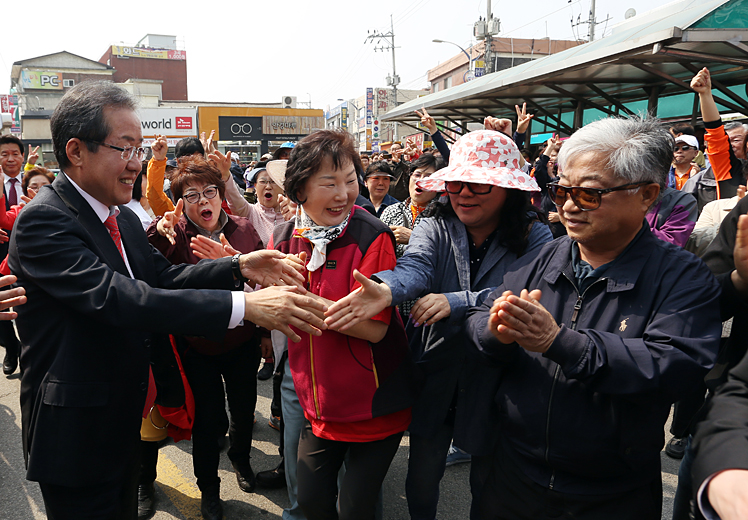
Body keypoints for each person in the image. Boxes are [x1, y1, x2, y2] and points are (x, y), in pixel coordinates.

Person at [7, 81, 328, 520]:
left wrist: (238, 267)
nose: (136, 164)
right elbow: (121, 298)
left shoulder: (119, 216)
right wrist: (246, 306)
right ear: (76, 151)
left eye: (140, 150)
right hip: (78, 432)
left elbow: (164, 276)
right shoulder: (43, 220)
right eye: (125, 149)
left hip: (122, 417)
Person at [463, 116, 721, 520]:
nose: (567, 206)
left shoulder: (683, 277)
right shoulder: (541, 257)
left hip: (612, 491)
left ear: (647, 194)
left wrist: (559, 342)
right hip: (512, 474)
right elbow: (481, 318)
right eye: (562, 190)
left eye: (589, 195)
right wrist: (494, 331)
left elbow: (675, 367)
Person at [325, 129, 552, 520]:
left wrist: (456, 301)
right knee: (422, 476)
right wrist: (384, 287)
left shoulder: (535, 234)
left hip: (498, 372)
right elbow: (416, 267)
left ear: (507, 189)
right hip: (436, 367)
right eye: (456, 183)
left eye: (479, 185)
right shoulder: (436, 222)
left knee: (489, 481)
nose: (464, 193)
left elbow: (527, 291)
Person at [270, 129, 415, 520]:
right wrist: (240, 270)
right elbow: (271, 306)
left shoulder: (372, 235)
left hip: (372, 406)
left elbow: (374, 329)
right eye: (329, 183)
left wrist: (301, 302)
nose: (343, 194)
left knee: (356, 509)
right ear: (299, 189)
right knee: (313, 503)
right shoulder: (284, 239)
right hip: (316, 406)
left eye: (350, 180)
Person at [147, 157, 266, 519]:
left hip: (243, 341)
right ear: (181, 202)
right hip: (195, 346)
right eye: (193, 195)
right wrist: (158, 229)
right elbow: (150, 269)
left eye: (210, 192)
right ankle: (209, 490)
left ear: (221, 194)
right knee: (207, 418)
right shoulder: (173, 232)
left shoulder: (245, 230)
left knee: (244, 409)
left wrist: (262, 332)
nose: (204, 202)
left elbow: (264, 283)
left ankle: (242, 460)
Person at [379, 153, 445, 318]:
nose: (420, 180)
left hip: (426, 309)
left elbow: (448, 257)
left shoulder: (443, 216)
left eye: (428, 176)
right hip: (392, 304)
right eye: (417, 174)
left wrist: (413, 237)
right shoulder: (391, 211)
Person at [0, 135, 32, 375]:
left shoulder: (34, 180)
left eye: (14, 153)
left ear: (22, 156)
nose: (10, 159)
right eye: (4, 154)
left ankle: (32, 353)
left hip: (30, 255)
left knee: (28, 307)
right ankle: (12, 349)